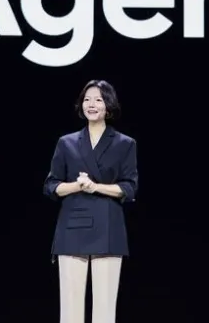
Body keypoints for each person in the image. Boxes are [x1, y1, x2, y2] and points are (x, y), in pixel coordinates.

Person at [43, 79, 139, 323]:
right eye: (87, 99)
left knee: (104, 312)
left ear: (109, 105)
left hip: (108, 229)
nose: (91, 104)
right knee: (70, 311)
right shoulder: (66, 142)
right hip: (72, 228)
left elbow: (129, 187)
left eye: (98, 99)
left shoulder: (125, 144)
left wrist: (95, 187)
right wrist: (77, 185)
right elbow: (51, 185)